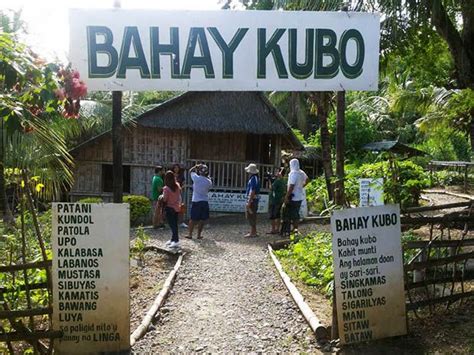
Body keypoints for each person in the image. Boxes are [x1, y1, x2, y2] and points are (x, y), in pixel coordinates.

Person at [185, 164, 212, 239]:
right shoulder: (209, 181)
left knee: (193, 219)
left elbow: (190, 171)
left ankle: (190, 234)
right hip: (204, 201)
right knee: (202, 219)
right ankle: (198, 235)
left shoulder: (196, 178)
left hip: (196, 200)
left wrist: (196, 166)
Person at [284, 159, 308, 233]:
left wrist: (287, 196)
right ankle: (295, 228)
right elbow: (307, 179)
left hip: (293, 196)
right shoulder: (301, 172)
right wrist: (302, 186)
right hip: (299, 196)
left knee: (291, 213)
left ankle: (292, 229)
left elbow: (291, 186)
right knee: (296, 213)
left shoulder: (293, 173)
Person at [162, 171, 182, 249]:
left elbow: (165, 199)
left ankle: (176, 240)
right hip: (176, 207)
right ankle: (173, 239)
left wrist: (161, 196)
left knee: (172, 225)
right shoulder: (177, 186)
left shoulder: (166, 188)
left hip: (169, 208)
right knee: (175, 224)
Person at [267, 168, 286, 235]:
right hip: (279, 199)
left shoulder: (278, 181)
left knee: (272, 215)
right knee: (278, 215)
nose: (277, 173)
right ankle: (277, 229)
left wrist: (270, 180)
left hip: (274, 200)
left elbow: (271, 188)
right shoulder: (283, 181)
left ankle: (273, 229)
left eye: (278, 171)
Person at [244, 163, 260, 238]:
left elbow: (252, 191)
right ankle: (254, 231)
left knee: (251, 215)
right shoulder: (254, 178)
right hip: (253, 199)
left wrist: (249, 201)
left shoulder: (253, 179)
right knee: (252, 215)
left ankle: (253, 232)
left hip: (252, 200)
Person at [172, 163, 188, 228]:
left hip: (179, 193)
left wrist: (181, 188)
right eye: (175, 167)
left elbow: (184, 184)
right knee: (172, 207)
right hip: (172, 194)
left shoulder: (181, 176)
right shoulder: (171, 175)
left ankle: (181, 221)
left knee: (180, 207)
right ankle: (173, 221)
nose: (176, 169)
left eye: (177, 167)